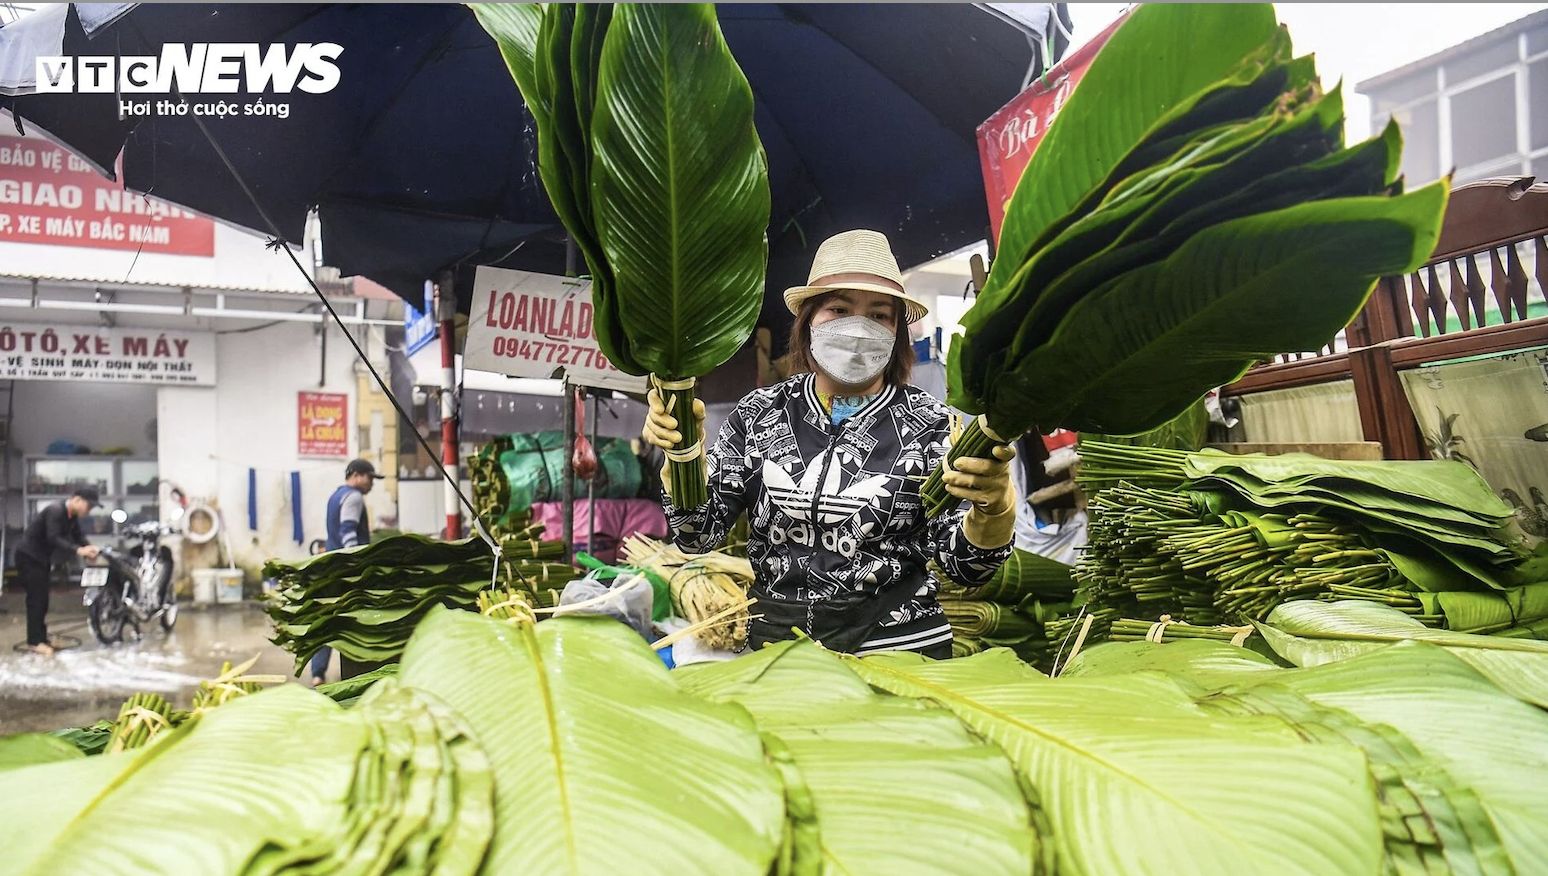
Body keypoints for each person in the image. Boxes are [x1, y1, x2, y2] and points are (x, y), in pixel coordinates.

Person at [642, 229, 1017, 657]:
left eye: (879, 315)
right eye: (838, 309)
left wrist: (995, 507)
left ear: (897, 332)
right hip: (779, 654)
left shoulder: (933, 426)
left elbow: (967, 567)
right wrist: (681, 456)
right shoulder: (759, 413)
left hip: (899, 652)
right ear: (808, 322)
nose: (858, 329)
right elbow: (697, 536)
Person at [310, 458, 383, 686]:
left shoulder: (335, 496)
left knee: (327, 621)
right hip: (347, 572)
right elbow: (348, 531)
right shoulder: (354, 497)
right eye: (370, 478)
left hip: (332, 568)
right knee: (352, 621)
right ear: (358, 475)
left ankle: (317, 674)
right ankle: (358, 673)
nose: (371, 484)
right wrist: (358, 566)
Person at [15, 486, 101, 655]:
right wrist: (78, 550)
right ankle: (34, 642)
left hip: (41, 559)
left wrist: (89, 547)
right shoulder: (55, 511)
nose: (89, 511)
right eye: (89, 506)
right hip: (28, 557)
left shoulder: (71, 516)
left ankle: (41, 637)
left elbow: (78, 536)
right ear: (77, 500)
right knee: (36, 600)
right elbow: (53, 537)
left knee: (43, 600)